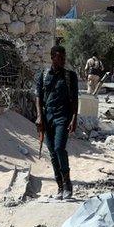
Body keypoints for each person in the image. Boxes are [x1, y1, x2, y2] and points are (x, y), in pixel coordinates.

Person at [35, 45, 79, 200]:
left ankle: (68, 184)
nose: (62, 60)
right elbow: (38, 97)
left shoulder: (70, 76)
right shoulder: (43, 74)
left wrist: (74, 118)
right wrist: (40, 116)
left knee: (60, 148)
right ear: (52, 57)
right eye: (59, 57)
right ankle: (59, 186)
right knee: (53, 153)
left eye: (64, 57)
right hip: (48, 117)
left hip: (63, 117)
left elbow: (75, 99)